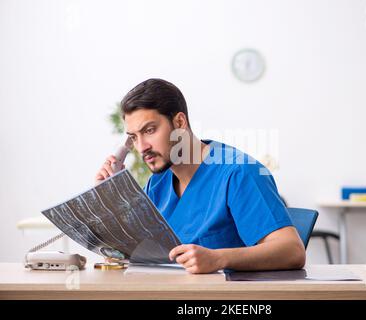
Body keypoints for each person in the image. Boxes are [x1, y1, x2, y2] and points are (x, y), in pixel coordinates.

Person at [95, 78, 305, 274]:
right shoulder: (158, 182)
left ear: (179, 122)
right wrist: (112, 195)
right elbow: (139, 252)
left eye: (150, 130)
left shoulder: (238, 172)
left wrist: (218, 258)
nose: (142, 147)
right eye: (134, 137)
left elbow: (292, 250)